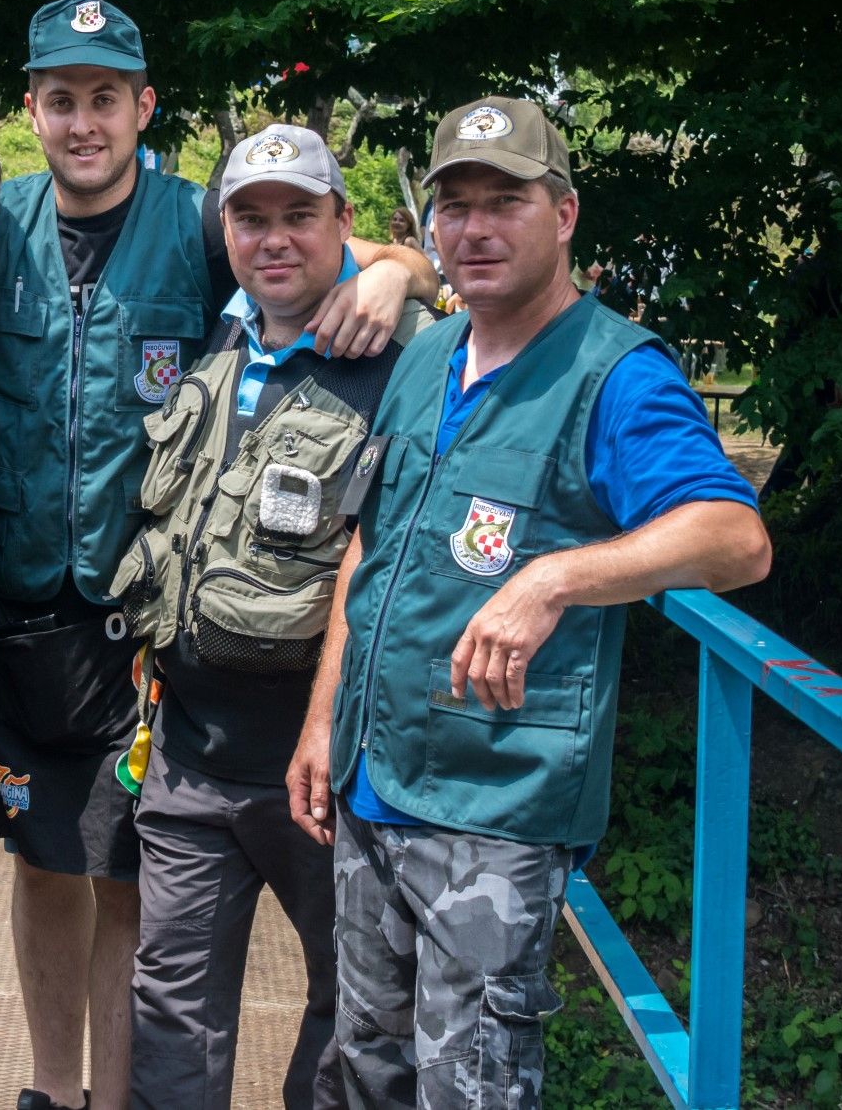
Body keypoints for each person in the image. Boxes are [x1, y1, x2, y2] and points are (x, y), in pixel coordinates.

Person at [0, 0, 440, 1110]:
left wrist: (395, 272)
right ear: (33, 109)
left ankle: (122, 1094)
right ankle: (50, 1087)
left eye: (105, 99)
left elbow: (330, 248)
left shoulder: (195, 222)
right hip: (21, 603)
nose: (83, 121)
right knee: (42, 861)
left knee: (130, 872)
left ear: (142, 107)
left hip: (147, 616)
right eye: (61, 99)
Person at [286, 96, 772, 1108]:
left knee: (470, 1087)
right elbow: (370, 546)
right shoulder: (427, 355)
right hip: (375, 787)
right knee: (363, 1068)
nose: (473, 227)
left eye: (503, 200)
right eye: (451, 205)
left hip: (492, 809)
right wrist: (323, 715)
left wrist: (553, 576)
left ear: (562, 214)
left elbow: (733, 538)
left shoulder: (615, 376)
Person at [111, 124, 431, 1110]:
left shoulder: (399, 363)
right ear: (226, 229)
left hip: (321, 774)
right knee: (169, 1005)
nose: (274, 237)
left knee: (355, 1009)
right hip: (185, 758)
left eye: (300, 214)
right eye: (251, 216)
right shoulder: (213, 330)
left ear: (343, 222)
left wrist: (403, 275)